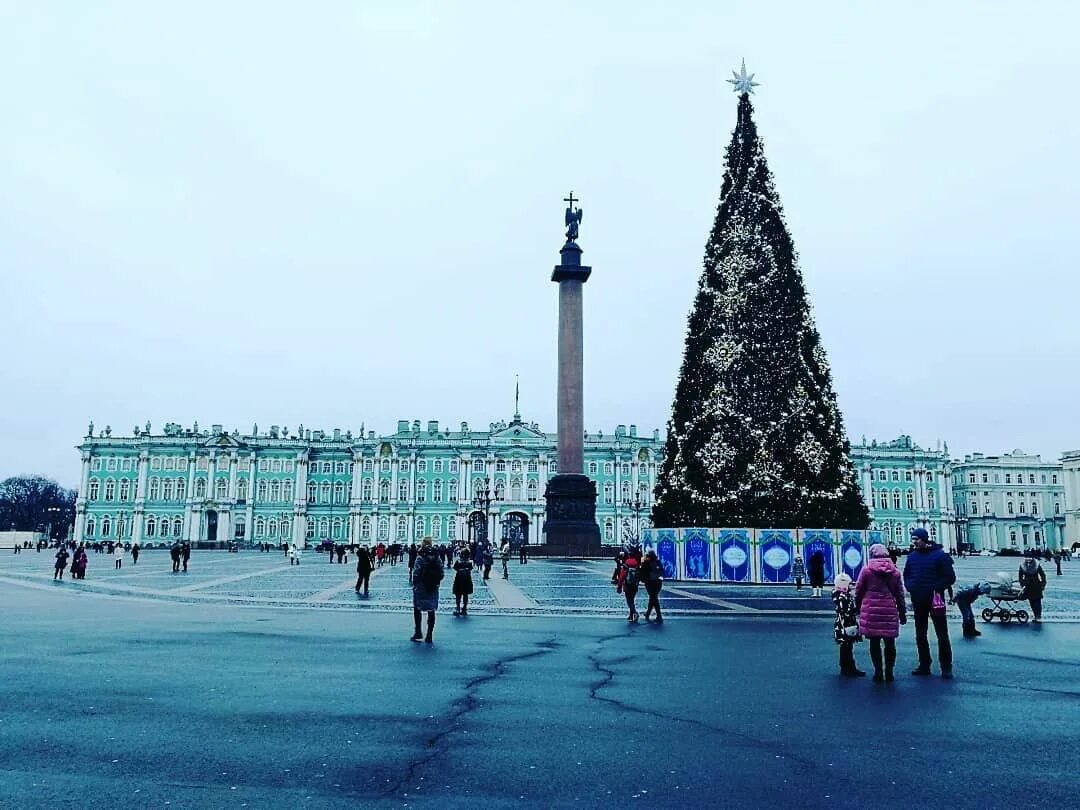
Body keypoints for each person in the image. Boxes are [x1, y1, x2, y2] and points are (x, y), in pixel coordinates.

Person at [903, 528, 956, 678]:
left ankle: (946, 666)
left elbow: (950, 577)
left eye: (916, 539)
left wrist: (936, 587)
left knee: (942, 634)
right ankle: (924, 664)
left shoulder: (940, 556)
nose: (914, 542)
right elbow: (907, 574)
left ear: (924, 539)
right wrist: (910, 586)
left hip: (935, 599)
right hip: (918, 598)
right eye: (913, 539)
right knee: (920, 634)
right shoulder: (912, 557)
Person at [855, 544, 906, 681]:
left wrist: (857, 607)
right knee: (890, 643)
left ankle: (878, 672)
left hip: (871, 609)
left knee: (874, 643)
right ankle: (889, 672)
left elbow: (858, 590)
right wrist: (902, 613)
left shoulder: (866, 570)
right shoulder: (895, 572)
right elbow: (900, 595)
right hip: (889, 609)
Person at [832, 573, 865, 677]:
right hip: (846, 624)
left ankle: (845, 667)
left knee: (846, 646)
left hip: (843, 623)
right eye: (850, 583)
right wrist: (856, 610)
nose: (852, 585)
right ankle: (849, 667)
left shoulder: (839, 595)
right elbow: (847, 610)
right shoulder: (843, 597)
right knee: (847, 646)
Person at [411, 538, 443, 643]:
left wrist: (415, 583)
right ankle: (429, 634)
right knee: (431, 610)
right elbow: (441, 573)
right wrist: (436, 581)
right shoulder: (437, 557)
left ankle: (418, 631)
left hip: (421, 587)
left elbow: (416, 572)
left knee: (417, 608)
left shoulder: (420, 556)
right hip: (433, 587)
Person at [617, 546, 642, 623]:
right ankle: (631, 616)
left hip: (627, 585)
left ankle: (635, 613)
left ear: (628, 556)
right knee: (632, 600)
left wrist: (619, 586)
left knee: (629, 600)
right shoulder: (637, 564)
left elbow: (622, 577)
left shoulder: (626, 564)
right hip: (635, 585)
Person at [1018, 557, 1047, 623]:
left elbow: (1042, 574)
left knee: (1037, 602)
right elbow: (1020, 576)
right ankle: (1035, 615)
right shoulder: (1022, 565)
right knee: (1031, 602)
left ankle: (1038, 616)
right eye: (1027, 557)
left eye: (1030, 557)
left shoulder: (1037, 565)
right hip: (1028, 586)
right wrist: (1022, 584)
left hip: (1036, 585)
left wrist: (1043, 584)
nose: (1028, 559)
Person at [640, 549, 664, 623]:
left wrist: (643, 580)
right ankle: (648, 614)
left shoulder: (646, 563)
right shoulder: (658, 562)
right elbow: (662, 571)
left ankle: (659, 616)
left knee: (654, 599)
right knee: (653, 598)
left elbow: (642, 573)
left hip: (650, 583)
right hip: (658, 583)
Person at [452, 549, 475, 616]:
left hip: (459, 578)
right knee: (465, 595)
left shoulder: (459, 561)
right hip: (466, 579)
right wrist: (466, 570)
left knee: (458, 595)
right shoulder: (469, 562)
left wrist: (460, 570)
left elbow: (455, 567)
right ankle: (464, 608)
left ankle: (458, 608)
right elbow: (470, 568)